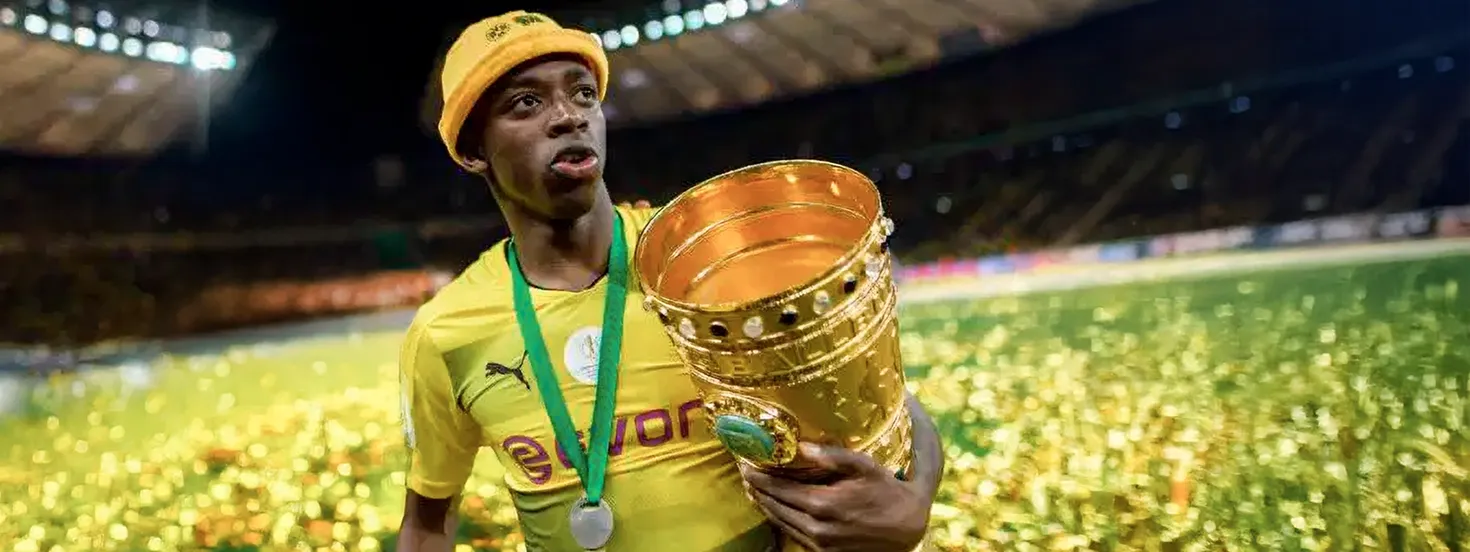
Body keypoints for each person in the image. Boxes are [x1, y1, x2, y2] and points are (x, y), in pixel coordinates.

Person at [399, 11, 945, 552]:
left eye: (584, 93)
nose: (570, 117)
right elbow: (427, 522)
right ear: (472, 150)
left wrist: (913, 502)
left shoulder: (698, 261)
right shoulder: (447, 333)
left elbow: (893, 404)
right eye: (527, 102)